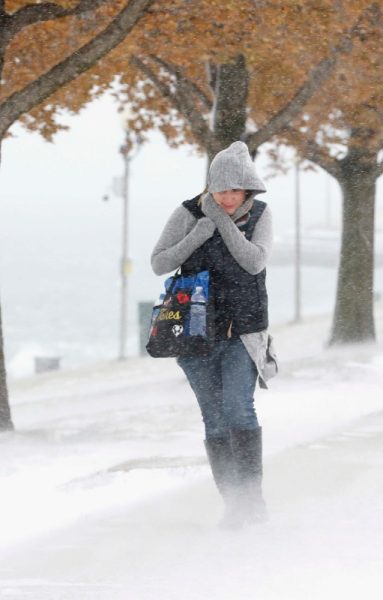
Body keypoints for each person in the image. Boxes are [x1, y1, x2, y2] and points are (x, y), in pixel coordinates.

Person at [150, 141, 277, 529]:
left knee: (239, 408)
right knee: (214, 419)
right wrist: (197, 233)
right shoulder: (188, 213)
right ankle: (234, 503)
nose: (227, 197)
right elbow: (159, 263)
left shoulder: (260, 215)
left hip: (243, 332)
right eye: (220, 190)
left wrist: (221, 225)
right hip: (194, 334)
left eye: (235, 191)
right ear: (210, 187)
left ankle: (252, 498)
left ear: (248, 190)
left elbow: (253, 262)